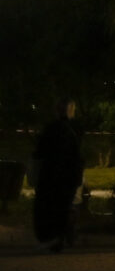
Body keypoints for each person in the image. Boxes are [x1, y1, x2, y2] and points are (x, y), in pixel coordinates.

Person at [32, 99, 85, 252]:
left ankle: (52, 237)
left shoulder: (51, 128)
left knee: (49, 206)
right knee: (67, 205)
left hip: (51, 173)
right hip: (72, 173)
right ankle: (66, 234)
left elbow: (40, 152)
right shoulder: (77, 128)